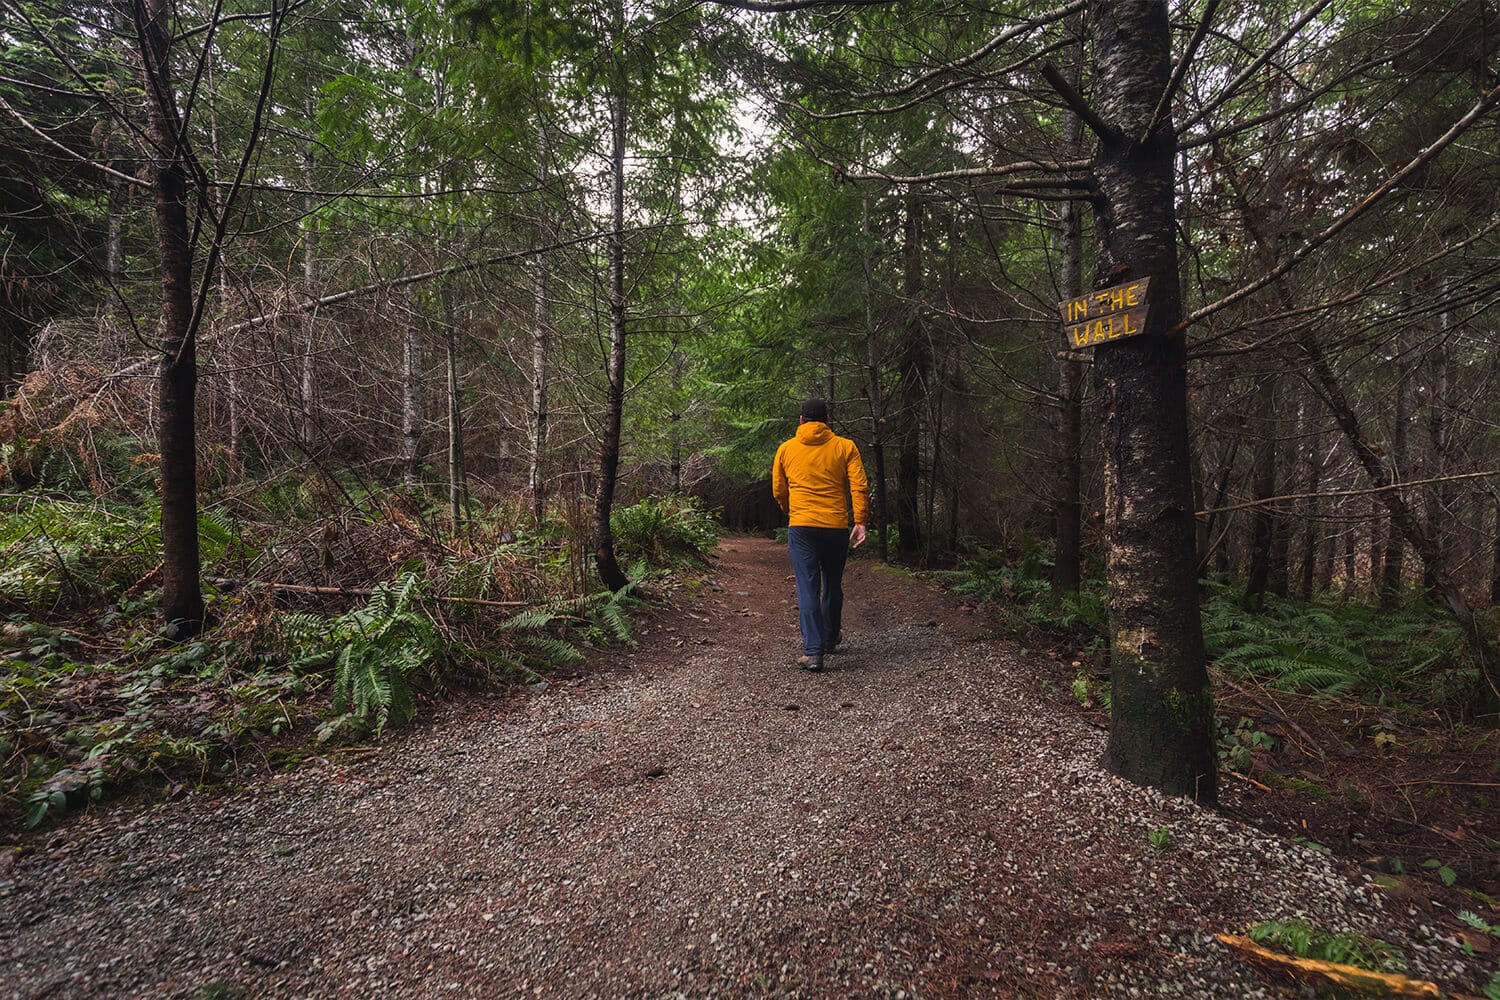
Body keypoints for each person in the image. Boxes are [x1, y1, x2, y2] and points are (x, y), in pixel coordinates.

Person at [771, 398, 869, 672]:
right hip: (836, 526)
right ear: (826, 421)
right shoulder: (845, 447)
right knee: (833, 584)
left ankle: (813, 652)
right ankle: (829, 638)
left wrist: (791, 510)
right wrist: (860, 520)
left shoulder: (786, 449)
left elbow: (778, 489)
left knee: (807, 586)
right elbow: (858, 486)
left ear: (801, 420)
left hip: (802, 527)